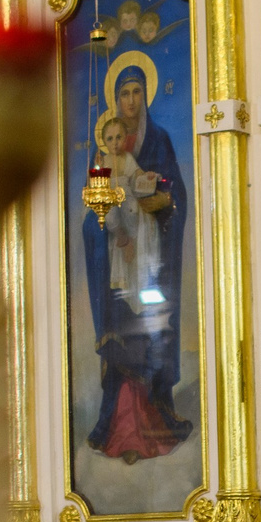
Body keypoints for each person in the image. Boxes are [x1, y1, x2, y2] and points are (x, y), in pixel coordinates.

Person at [81, 60, 192, 459]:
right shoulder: (104, 155)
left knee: (151, 335)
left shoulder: (158, 140)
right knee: (120, 339)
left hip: (151, 261)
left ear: (145, 96)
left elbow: (174, 196)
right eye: (124, 93)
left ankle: (156, 416)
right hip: (117, 262)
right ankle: (115, 422)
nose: (131, 100)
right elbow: (93, 208)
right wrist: (114, 230)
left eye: (137, 92)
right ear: (115, 100)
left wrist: (164, 203)